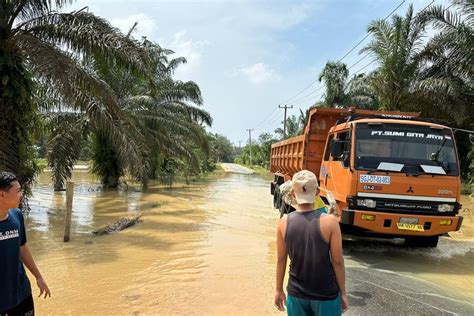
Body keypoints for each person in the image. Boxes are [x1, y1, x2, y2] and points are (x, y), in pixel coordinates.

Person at [275, 170, 347, 315]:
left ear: (293, 194)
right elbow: (337, 261)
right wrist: (343, 293)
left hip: (296, 294)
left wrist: (278, 290)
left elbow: (281, 259)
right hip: (326, 294)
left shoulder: (284, 222)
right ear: (317, 192)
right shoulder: (331, 222)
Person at [0, 171, 51, 315]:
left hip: (22, 294)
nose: (21, 195)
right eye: (17, 191)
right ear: (2, 194)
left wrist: (39, 277)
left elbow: (22, 248)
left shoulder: (17, 215)